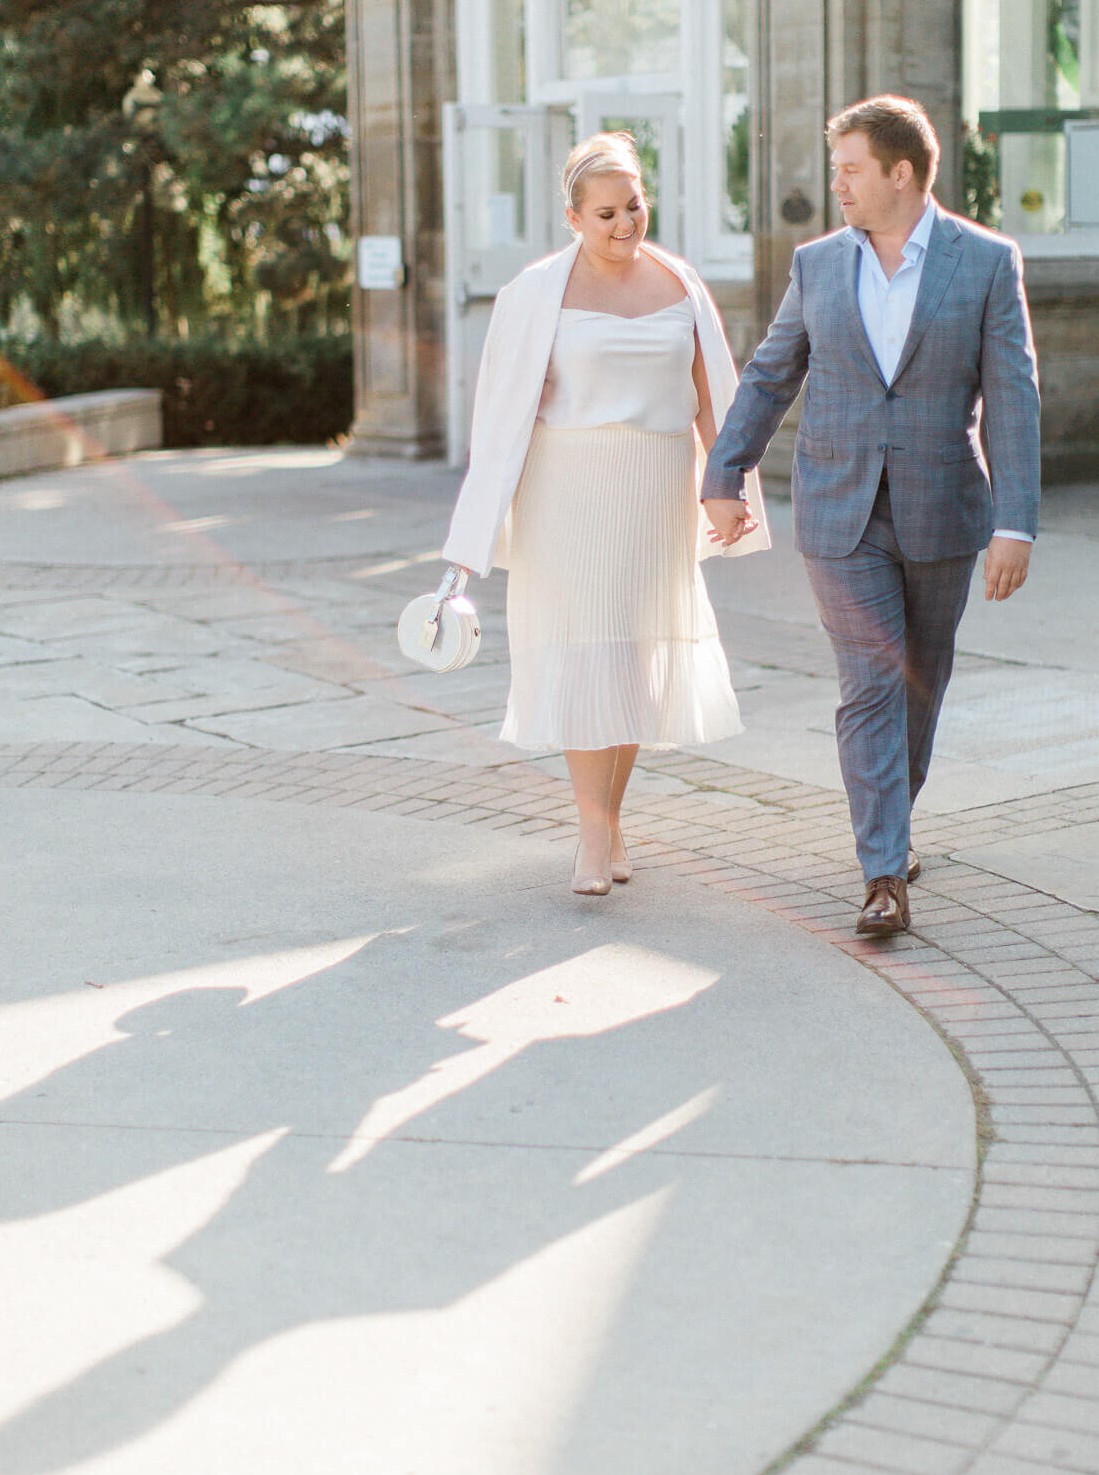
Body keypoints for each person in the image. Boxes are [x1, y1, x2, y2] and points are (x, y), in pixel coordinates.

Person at [702, 95, 1041, 937]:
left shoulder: (986, 263)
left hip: (942, 510)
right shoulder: (818, 265)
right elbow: (771, 373)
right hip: (838, 510)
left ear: (900, 173)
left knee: (919, 682)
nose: (837, 184)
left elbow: (1013, 398)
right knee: (870, 684)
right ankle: (882, 871)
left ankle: (894, 821)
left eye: (849, 169)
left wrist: (1016, 521)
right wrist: (724, 471)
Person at [443, 132, 770, 896]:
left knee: (629, 659)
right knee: (582, 653)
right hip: (566, 490)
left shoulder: (680, 282)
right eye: (605, 213)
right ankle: (593, 832)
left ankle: (608, 817)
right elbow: (497, 413)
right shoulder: (533, 293)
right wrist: (473, 531)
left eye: (634, 206)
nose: (624, 224)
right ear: (572, 217)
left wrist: (725, 492)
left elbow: (713, 393)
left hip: (654, 488)